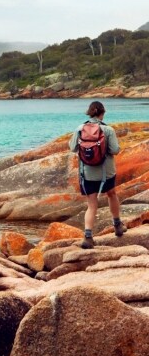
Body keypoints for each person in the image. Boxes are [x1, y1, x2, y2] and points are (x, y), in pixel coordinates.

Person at [69, 101, 126, 249]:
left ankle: (88, 237)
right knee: (112, 194)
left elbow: (73, 148)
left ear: (89, 112)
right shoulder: (108, 130)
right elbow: (115, 150)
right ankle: (117, 225)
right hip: (106, 173)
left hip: (87, 173)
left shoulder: (80, 128)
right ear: (102, 113)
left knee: (91, 205)